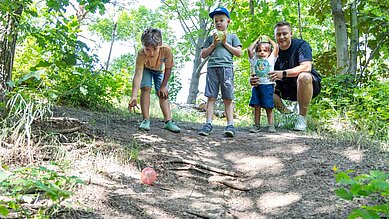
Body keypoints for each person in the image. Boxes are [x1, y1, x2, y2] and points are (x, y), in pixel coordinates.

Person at [250, 21, 321, 131]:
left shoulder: (301, 45)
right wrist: (254, 80)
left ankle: (302, 118)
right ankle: (287, 115)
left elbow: (307, 67)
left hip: (306, 85)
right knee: (264, 88)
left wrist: (283, 73)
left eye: (285, 33)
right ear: (275, 36)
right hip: (283, 88)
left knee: (304, 76)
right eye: (278, 34)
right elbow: (259, 69)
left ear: (291, 34)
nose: (282, 37)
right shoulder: (271, 53)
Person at [198, 7, 242, 137]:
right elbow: (203, 54)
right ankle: (208, 124)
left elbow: (239, 53)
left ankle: (230, 125)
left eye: (221, 20)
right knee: (211, 97)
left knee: (227, 97)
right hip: (212, 69)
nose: (218, 23)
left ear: (228, 21)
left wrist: (225, 43)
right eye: (216, 21)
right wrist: (213, 45)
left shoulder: (233, 37)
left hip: (227, 69)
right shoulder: (211, 38)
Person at [128, 27, 181, 133]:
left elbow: (168, 68)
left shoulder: (166, 50)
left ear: (160, 45)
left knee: (163, 93)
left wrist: (163, 86)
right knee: (146, 88)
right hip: (146, 69)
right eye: (147, 49)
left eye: (154, 49)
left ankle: (168, 121)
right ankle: (145, 120)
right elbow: (138, 74)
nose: (151, 53)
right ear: (143, 46)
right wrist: (134, 96)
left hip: (159, 71)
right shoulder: (141, 54)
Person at [248, 35, 279, 133]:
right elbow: (249, 49)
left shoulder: (271, 59)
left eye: (265, 50)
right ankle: (256, 125)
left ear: (269, 52)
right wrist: (257, 39)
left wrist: (269, 40)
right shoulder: (254, 59)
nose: (262, 52)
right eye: (259, 50)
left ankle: (271, 125)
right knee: (256, 105)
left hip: (268, 85)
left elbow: (276, 47)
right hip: (257, 85)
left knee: (268, 106)